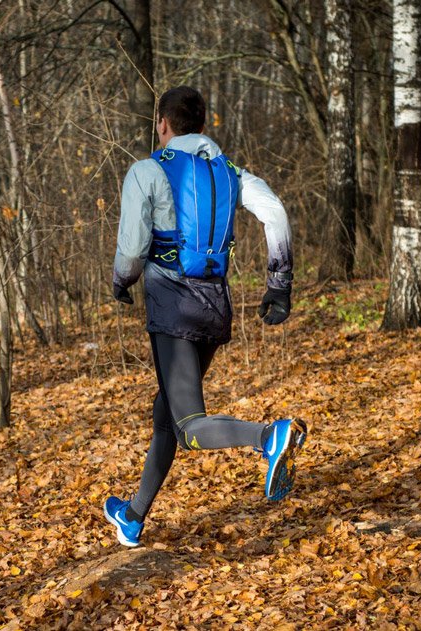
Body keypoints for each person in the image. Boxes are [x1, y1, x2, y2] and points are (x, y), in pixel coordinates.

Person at [104, 86, 308, 548]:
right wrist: (279, 284)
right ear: (201, 124)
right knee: (166, 416)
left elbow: (133, 249)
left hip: (172, 308)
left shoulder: (147, 170)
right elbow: (275, 213)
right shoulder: (229, 173)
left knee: (190, 427)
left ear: (163, 124)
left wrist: (121, 281)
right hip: (213, 309)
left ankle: (268, 436)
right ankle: (133, 515)